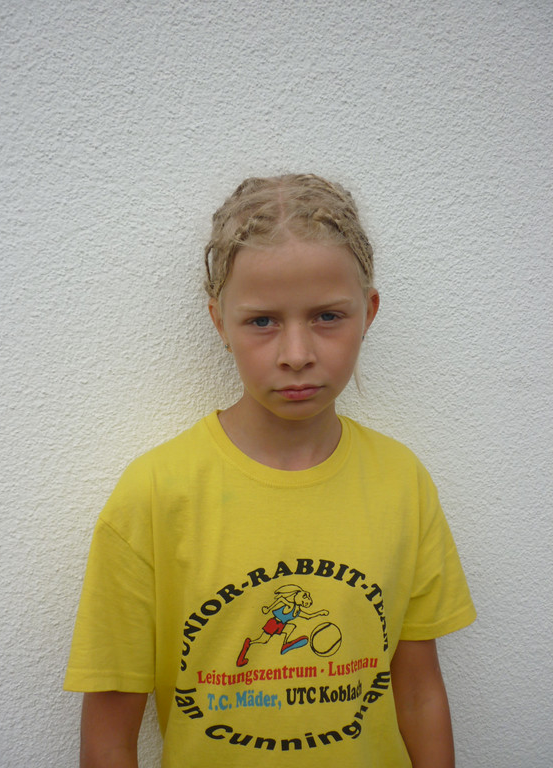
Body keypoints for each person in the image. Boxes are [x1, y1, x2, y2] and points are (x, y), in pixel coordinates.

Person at [65, 173, 476, 767]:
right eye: (262, 321)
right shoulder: (154, 494)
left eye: (328, 316)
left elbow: (418, 691)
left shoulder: (401, 481)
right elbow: (108, 733)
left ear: (368, 312)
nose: (297, 354)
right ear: (219, 322)